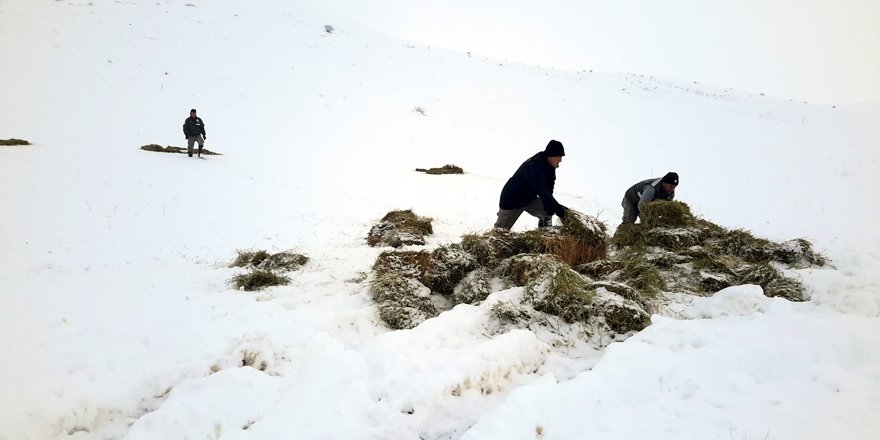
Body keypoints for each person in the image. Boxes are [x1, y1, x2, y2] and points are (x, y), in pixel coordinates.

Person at [494, 140, 568, 229]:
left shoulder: (550, 165)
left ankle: (545, 232)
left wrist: (554, 207)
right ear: (551, 155)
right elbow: (540, 189)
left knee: (548, 210)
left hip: (528, 198)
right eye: (559, 156)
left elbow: (549, 188)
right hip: (512, 199)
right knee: (500, 232)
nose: (560, 160)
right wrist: (558, 208)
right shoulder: (535, 165)